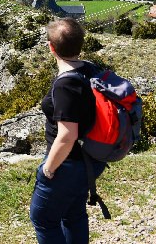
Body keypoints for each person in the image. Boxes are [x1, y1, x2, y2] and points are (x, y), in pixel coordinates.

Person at [29, 18, 105, 244]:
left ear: (51, 48)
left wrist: (49, 169)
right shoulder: (90, 69)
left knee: (43, 218)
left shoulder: (65, 84)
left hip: (67, 164)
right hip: (89, 160)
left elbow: (67, 135)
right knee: (73, 214)